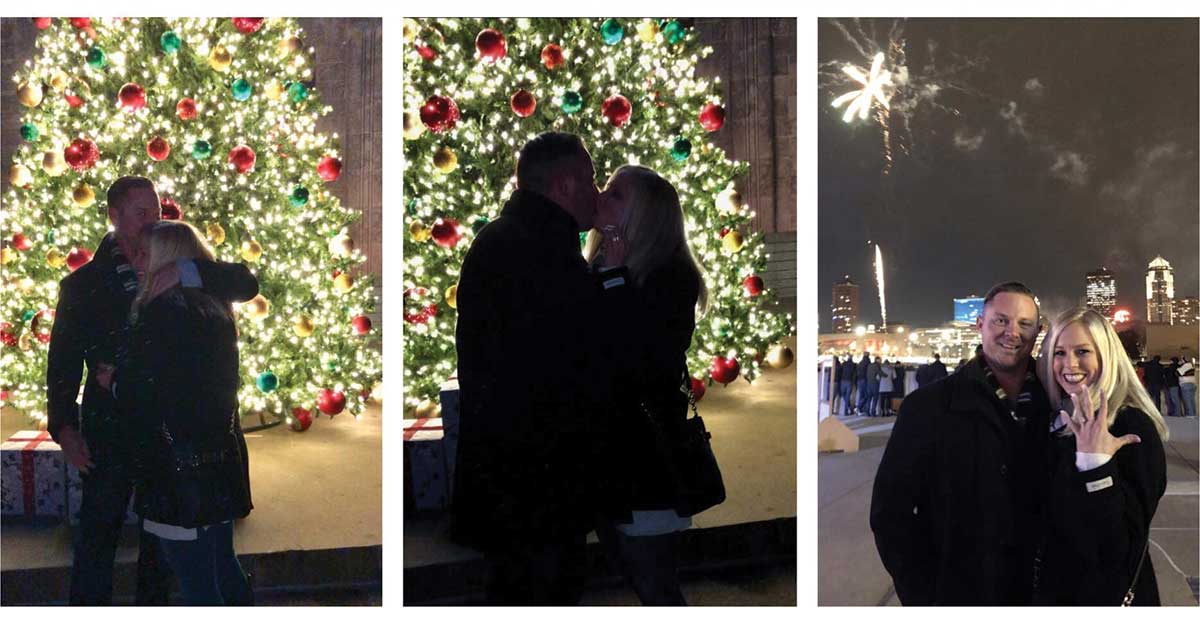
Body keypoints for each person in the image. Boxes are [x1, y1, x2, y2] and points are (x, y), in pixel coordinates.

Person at [46, 176, 258, 605]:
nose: (152, 220)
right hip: (113, 431)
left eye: (157, 210)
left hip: (173, 440)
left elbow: (246, 284)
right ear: (114, 216)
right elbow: (63, 364)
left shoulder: (179, 264)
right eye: (141, 213)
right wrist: (64, 428)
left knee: (163, 549)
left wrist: (187, 270)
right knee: (98, 534)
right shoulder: (83, 285)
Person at [452, 132, 628, 605]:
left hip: (510, 469)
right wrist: (614, 261)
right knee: (546, 587)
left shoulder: (508, 237)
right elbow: (596, 343)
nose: (596, 193)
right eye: (590, 180)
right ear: (566, 185)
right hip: (541, 479)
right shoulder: (543, 250)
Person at [100, 221, 257, 605]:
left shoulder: (162, 315)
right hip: (217, 463)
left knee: (197, 582)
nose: (135, 259)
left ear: (168, 260)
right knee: (222, 566)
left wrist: (114, 381)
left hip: (175, 469)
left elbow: (148, 395)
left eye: (144, 253)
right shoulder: (211, 310)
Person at [870, 282, 1052, 605]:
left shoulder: (1057, 407)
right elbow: (890, 514)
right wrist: (923, 595)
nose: (1012, 332)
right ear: (980, 325)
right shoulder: (927, 408)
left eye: (1025, 324)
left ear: (1037, 332)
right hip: (959, 595)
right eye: (1000, 320)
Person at [582, 164, 707, 605]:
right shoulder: (599, 263)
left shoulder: (670, 276)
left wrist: (614, 280)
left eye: (615, 194)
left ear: (642, 217)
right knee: (629, 569)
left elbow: (642, 359)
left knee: (655, 583)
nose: (601, 195)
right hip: (608, 453)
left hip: (647, 456)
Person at [1033, 308, 1168, 605]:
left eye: (1082, 351)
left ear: (1106, 356)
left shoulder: (1130, 426)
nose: (1069, 364)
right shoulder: (1056, 421)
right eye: (1059, 353)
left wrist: (1095, 465)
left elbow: (1120, 545)